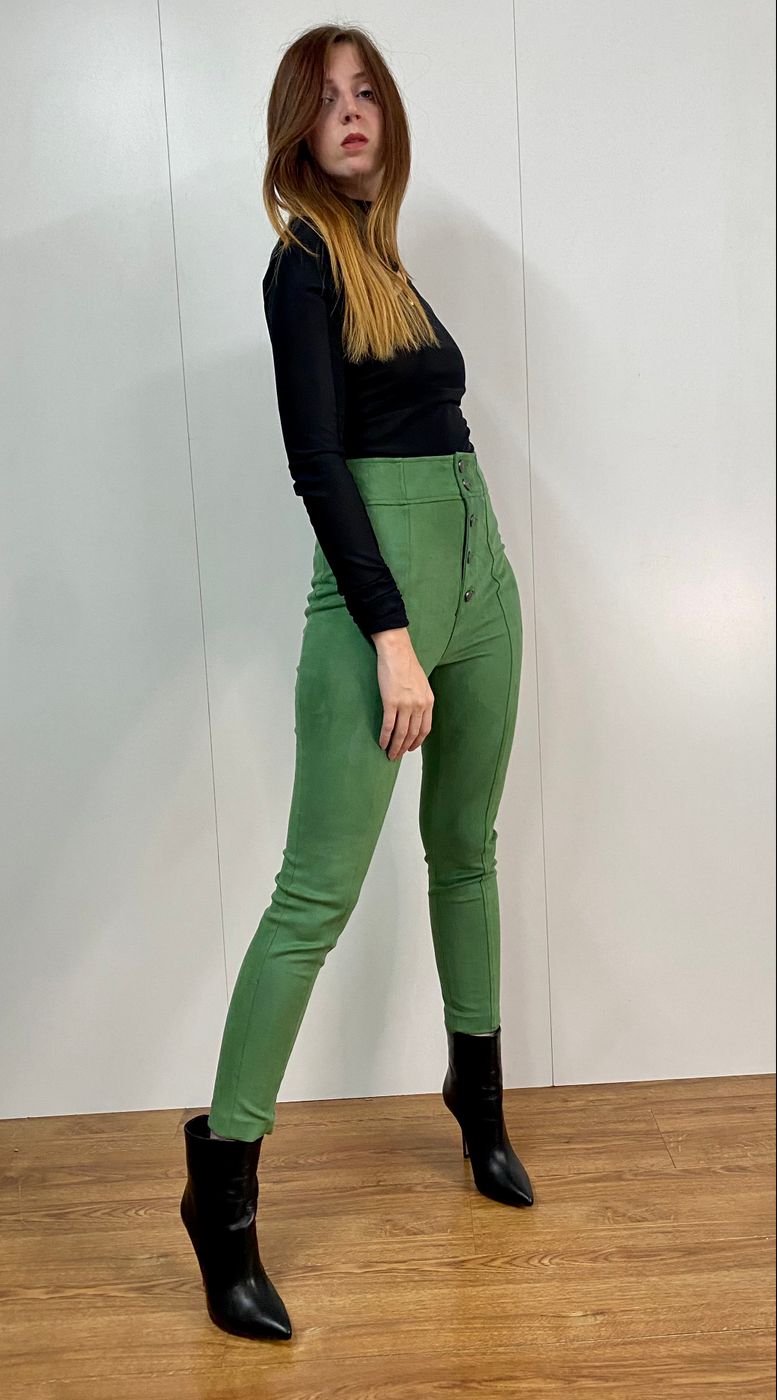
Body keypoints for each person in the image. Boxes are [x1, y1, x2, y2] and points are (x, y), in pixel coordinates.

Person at [180, 23, 534, 1344]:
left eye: (365, 90)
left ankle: (477, 1104)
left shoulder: (384, 257)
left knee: (466, 853)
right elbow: (317, 466)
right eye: (324, 97)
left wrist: (472, 593)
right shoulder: (303, 265)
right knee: (312, 896)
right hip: (379, 601)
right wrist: (389, 635)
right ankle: (221, 1193)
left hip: (480, 580)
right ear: (295, 126)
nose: (350, 110)